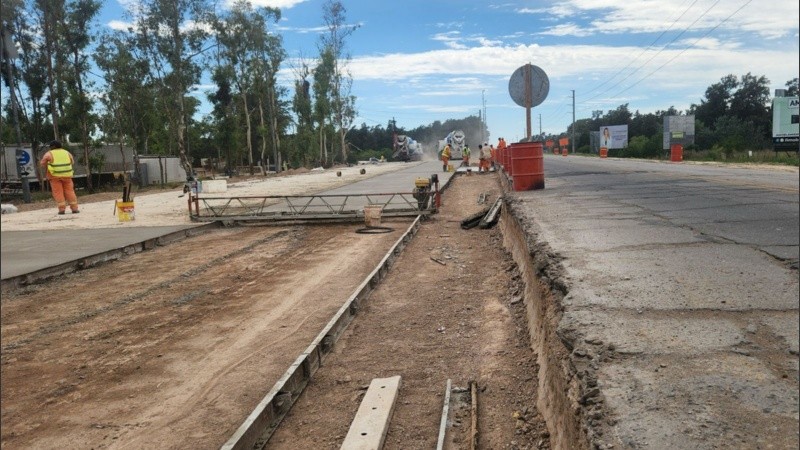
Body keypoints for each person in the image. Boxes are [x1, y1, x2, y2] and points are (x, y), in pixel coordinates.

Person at [39, 140, 79, 215]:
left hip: (54, 176)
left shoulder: (49, 154)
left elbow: (42, 164)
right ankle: (74, 209)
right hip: (67, 175)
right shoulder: (67, 152)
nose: (50, 148)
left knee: (58, 192)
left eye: (50, 146)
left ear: (53, 146)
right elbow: (72, 162)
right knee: (70, 191)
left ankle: (61, 210)